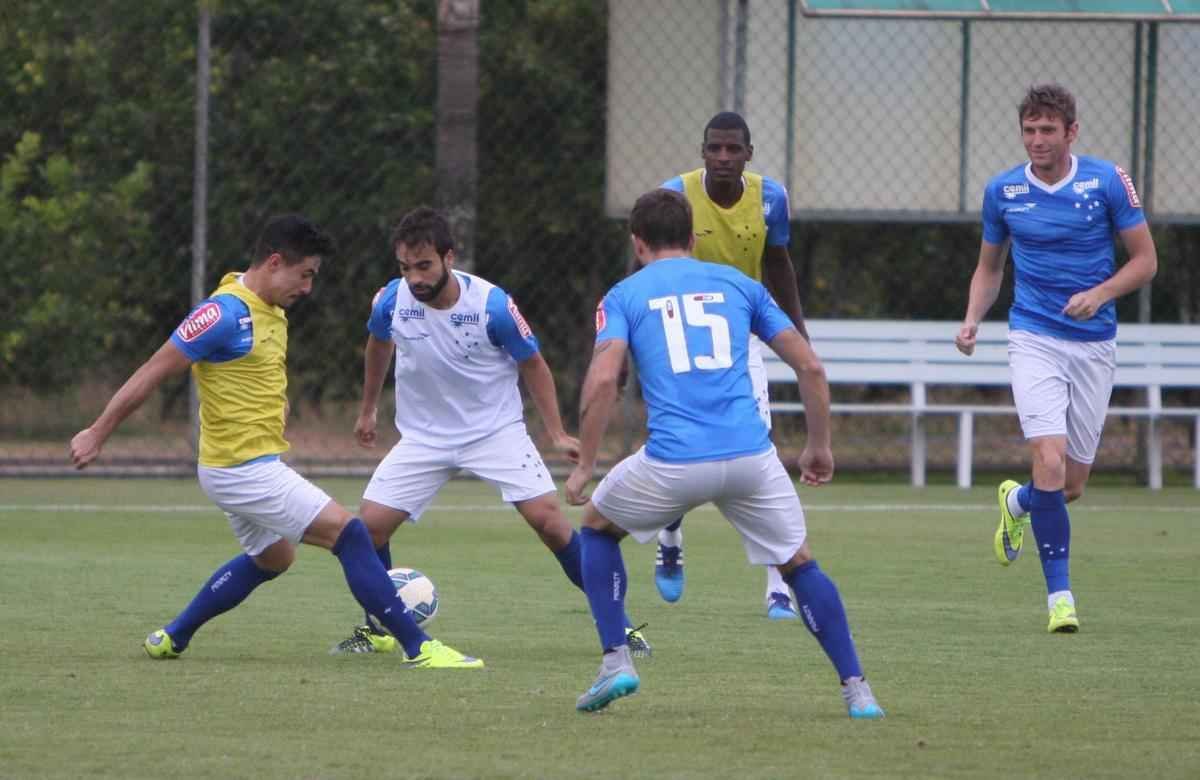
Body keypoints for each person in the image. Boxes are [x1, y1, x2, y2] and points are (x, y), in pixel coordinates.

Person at [69, 214, 482, 668]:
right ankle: (417, 646)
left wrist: (275, 408)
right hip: (241, 468)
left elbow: (250, 375)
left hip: (240, 465)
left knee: (273, 557)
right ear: (274, 262)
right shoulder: (222, 314)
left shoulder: (271, 309)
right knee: (351, 533)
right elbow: (153, 371)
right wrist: (97, 431)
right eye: (305, 274)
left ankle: (173, 636)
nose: (308, 287)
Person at [564, 189, 883, 718]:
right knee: (799, 564)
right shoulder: (742, 284)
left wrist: (584, 466)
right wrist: (818, 446)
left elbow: (602, 381)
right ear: (693, 239)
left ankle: (617, 659)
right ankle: (858, 691)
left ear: (637, 244)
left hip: (672, 463)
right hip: (751, 460)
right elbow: (811, 368)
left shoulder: (622, 295)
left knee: (597, 527)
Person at [329, 206, 650, 656]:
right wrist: (368, 411)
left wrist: (556, 433)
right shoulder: (391, 301)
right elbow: (378, 346)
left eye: (424, 266)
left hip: (494, 431)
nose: (415, 278)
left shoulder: (492, 306)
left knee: (552, 524)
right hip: (424, 437)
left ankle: (623, 629)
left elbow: (533, 365)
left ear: (448, 257)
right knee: (368, 531)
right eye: (405, 268)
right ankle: (381, 629)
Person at [955, 84, 1157, 633]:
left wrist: (1101, 294)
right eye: (1029, 130)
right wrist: (973, 317)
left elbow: (1145, 262)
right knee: (1048, 458)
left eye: (1048, 130)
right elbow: (991, 267)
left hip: (1094, 343)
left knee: (1068, 485)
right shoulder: (1002, 192)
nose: (1037, 140)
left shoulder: (1107, 182)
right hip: (1034, 336)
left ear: (1072, 132)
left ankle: (1016, 503)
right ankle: (1059, 599)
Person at [653, 111, 809, 620]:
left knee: (759, 446)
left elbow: (779, 264)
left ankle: (777, 586)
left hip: (738, 337)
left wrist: (798, 336)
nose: (723, 157)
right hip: (679, 331)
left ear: (748, 153)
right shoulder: (673, 195)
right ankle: (670, 537)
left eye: (732, 149)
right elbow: (647, 268)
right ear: (702, 152)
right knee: (678, 442)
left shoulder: (772, 198)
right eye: (714, 149)